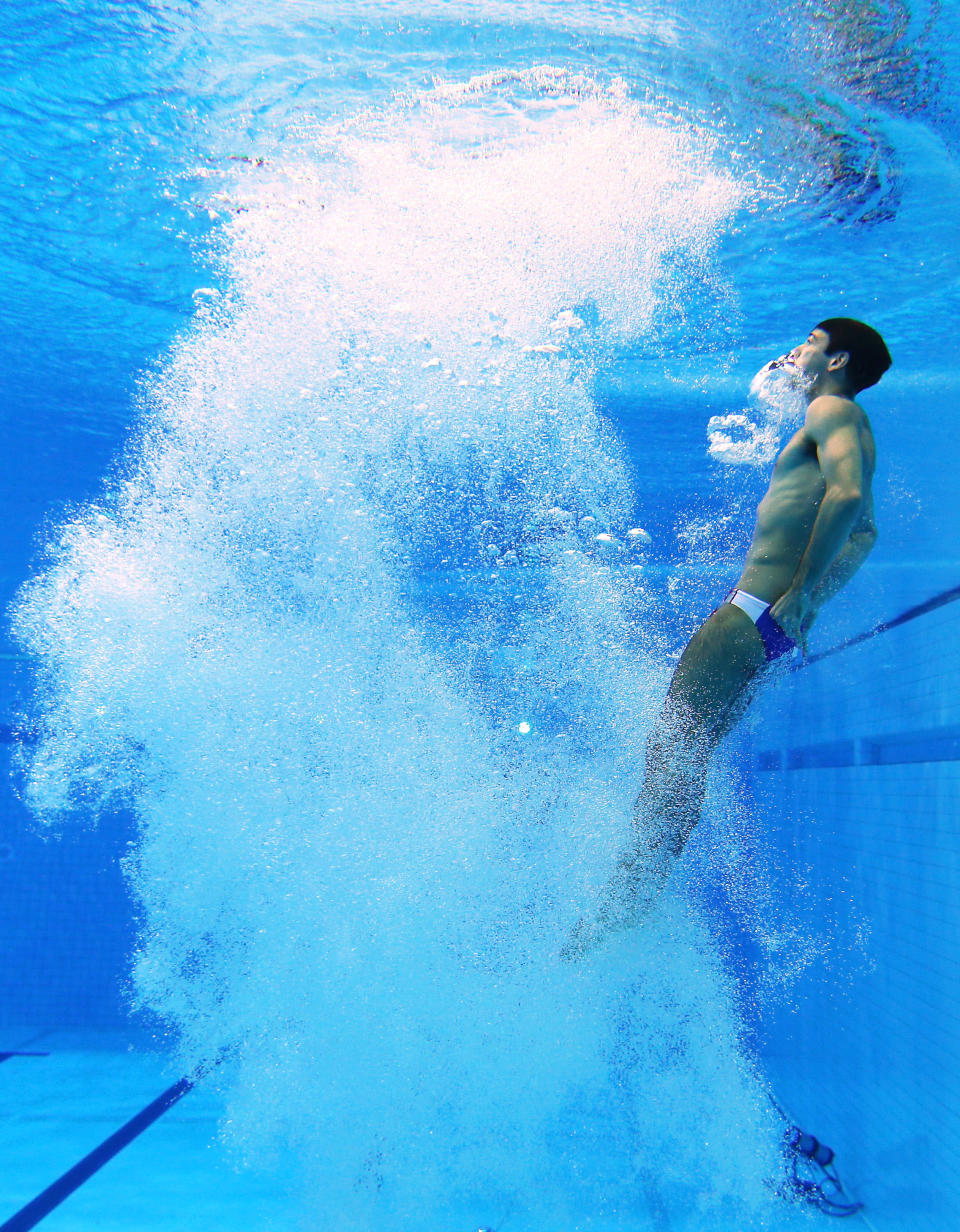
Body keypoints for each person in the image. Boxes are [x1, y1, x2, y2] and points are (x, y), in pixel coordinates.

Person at [565, 317, 892, 957]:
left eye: (812, 344)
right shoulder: (848, 423)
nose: (796, 352)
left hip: (749, 615)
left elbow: (848, 497)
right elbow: (865, 533)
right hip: (766, 626)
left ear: (837, 360)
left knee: (671, 750)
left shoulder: (831, 407)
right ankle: (639, 895)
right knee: (690, 755)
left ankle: (625, 904)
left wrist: (798, 593)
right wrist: (808, 603)